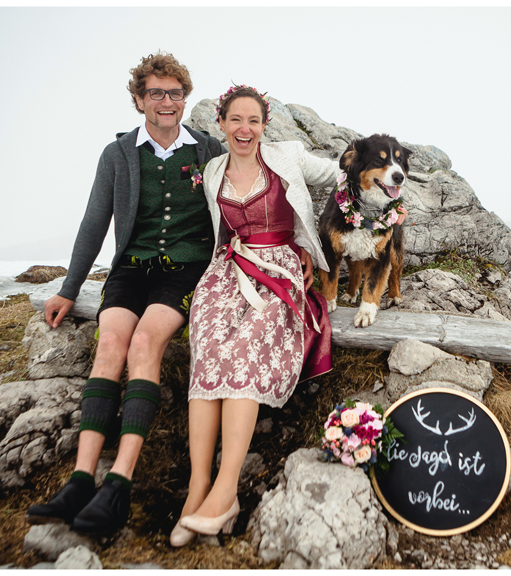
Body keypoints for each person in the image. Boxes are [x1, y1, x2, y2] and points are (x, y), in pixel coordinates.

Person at [25, 52, 226, 536]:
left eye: (175, 93)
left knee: (143, 343)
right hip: (130, 270)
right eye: (155, 93)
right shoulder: (117, 155)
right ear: (138, 100)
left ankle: (118, 486)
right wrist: (69, 288)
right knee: (110, 344)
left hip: (185, 270)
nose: (166, 101)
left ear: (185, 98)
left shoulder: (208, 150)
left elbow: (243, 199)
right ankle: (79, 480)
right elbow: (94, 222)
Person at [169, 85, 336, 547]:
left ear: (265, 126)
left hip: (279, 272)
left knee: (242, 356)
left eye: (254, 121)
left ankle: (226, 493)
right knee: (207, 363)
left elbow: (345, 174)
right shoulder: (213, 169)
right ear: (220, 123)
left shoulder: (289, 157)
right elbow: (216, 230)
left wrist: (314, 243)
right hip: (227, 272)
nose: (245, 129)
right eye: (235, 120)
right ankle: (197, 489)